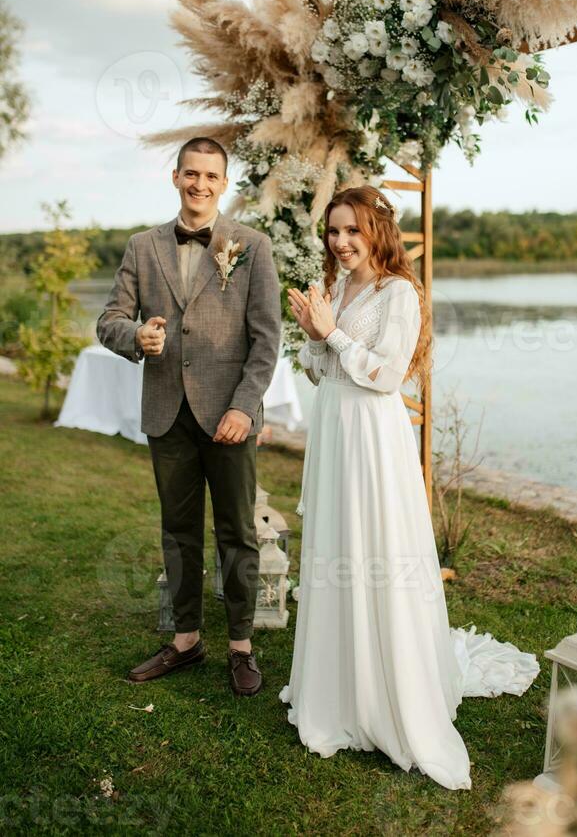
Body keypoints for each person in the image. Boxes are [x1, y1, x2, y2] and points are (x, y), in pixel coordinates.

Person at [279, 184, 539, 789]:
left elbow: (387, 375)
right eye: (333, 232)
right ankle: (338, 686)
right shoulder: (339, 288)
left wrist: (333, 335)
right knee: (338, 546)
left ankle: (390, 689)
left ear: (377, 231)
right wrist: (315, 336)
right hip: (335, 432)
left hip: (373, 434)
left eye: (351, 231)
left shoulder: (400, 294)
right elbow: (324, 374)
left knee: (376, 547)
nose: (340, 243)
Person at [97, 137, 281, 695]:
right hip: (166, 414)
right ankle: (185, 641)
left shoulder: (253, 246)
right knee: (178, 532)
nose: (200, 184)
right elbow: (109, 319)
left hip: (229, 416)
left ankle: (241, 647)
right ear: (175, 177)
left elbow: (267, 339)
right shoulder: (141, 246)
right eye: (191, 174)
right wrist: (137, 336)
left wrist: (244, 408)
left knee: (237, 532)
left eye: (211, 176)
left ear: (224, 183)